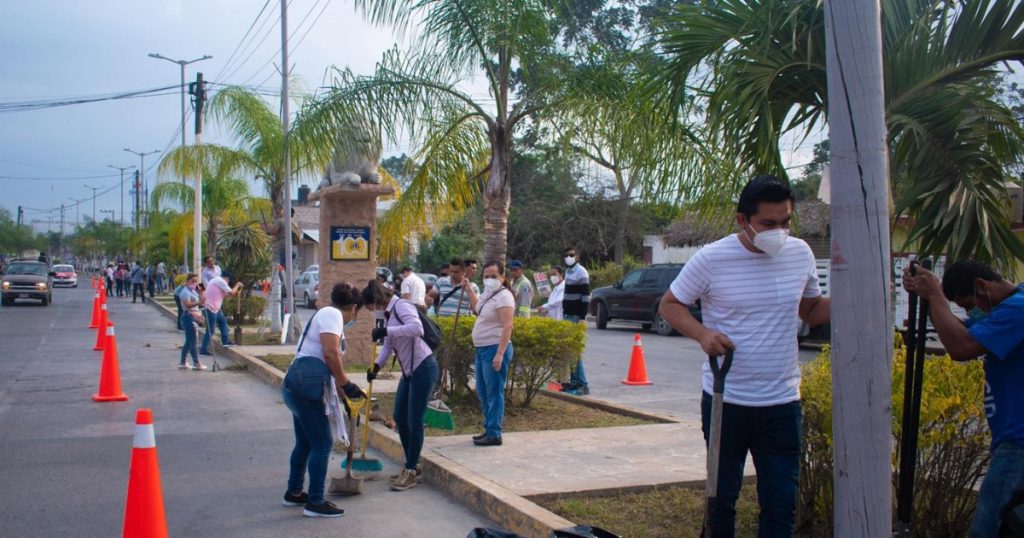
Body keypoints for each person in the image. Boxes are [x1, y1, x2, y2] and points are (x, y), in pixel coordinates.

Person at [658, 175, 830, 537]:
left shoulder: (800, 253)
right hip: (727, 401)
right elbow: (670, 305)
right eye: (768, 223)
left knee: (781, 507)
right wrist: (703, 334)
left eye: (785, 222)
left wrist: (859, 294)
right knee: (721, 500)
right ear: (742, 220)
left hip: (782, 404)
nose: (779, 231)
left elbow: (810, 311)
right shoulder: (712, 258)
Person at [903, 260, 1024, 537]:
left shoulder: (1018, 310)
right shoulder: (1009, 307)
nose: (971, 312)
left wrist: (935, 294)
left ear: (981, 286)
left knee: (987, 530)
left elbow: (961, 346)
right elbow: (959, 331)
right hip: (1011, 439)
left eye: (969, 304)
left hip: (1018, 443)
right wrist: (927, 297)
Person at [282, 282, 366, 518]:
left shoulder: (327, 315)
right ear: (354, 308)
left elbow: (331, 368)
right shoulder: (332, 314)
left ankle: (294, 493)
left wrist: (346, 399)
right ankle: (315, 502)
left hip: (298, 388)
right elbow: (330, 354)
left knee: (305, 443)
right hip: (305, 391)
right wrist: (347, 384)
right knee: (322, 444)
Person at [364, 279, 439, 491]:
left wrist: (386, 331)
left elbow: (417, 328)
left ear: (377, 301)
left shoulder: (402, 306)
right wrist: (376, 367)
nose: (370, 311)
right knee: (400, 417)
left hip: (423, 367)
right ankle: (412, 465)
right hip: (409, 371)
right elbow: (388, 345)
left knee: (414, 420)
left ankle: (411, 470)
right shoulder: (389, 314)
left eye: (369, 307)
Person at [465, 260, 515, 446]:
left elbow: (508, 326)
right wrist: (469, 290)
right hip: (482, 349)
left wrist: (500, 354)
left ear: (502, 277)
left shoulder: (504, 297)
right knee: (483, 392)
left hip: (494, 348)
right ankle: (489, 428)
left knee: (494, 393)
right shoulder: (488, 294)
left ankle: (494, 433)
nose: (489, 279)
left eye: (494, 276)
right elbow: (477, 309)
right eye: (486, 276)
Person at [561, 246, 591, 395]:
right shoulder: (568, 272)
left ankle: (582, 384)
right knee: (570, 351)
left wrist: (582, 317)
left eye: (571, 255)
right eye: (566, 255)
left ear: (577, 256)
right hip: (567, 315)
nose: (568, 257)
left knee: (575, 351)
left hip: (575, 317)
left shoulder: (581, 272)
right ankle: (573, 383)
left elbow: (586, 297)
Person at [199, 273, 244, 355]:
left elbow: (225, 295)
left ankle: (225, 341)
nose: (228, 283)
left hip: (214, 308)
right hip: (210, 308)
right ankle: (203, 350)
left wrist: (235, 292)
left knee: (223, 321)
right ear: (226, 278)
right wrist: (237, 285)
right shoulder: (220, 281)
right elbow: (231, 292)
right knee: (210, 330)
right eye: (229, 281)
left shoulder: (215, 281)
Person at [176, 274, 206, 370]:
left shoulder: (192, 291)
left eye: (195, 281)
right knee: (193, 341)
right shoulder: (185, 292)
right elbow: (188, 304)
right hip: (188, 317)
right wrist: (199, 302)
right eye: (192, 281)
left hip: (194, 316)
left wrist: (200, 292)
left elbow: (200, 300)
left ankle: (182, 362)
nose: (194, 283)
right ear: (187, 281)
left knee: (189, 342)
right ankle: (196, 363)